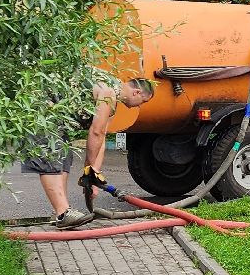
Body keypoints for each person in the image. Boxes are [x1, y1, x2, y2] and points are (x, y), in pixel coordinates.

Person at [24, 77, 156, 227]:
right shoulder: (108, 92)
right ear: (136, 92)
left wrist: (93, 172)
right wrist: (89, 169)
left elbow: (102, 137)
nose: (138, 106)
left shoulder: (112, 97)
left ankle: (62, 212)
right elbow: (96, 132)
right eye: (142, 101)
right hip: (41, 114)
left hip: (54, 120)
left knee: (64, 157)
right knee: (51, 158)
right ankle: (63, 213)